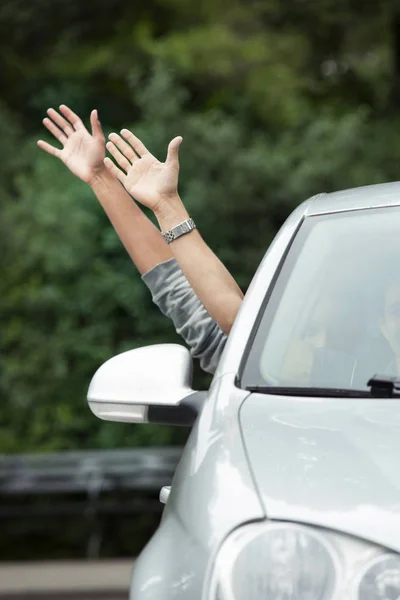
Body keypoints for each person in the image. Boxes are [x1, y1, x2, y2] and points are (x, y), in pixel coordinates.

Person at [37, 106, 236, 374]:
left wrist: (167, 207)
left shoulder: (268, 360)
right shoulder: (261, 355)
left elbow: (240, 333)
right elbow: (185, 295)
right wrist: (101, 179)